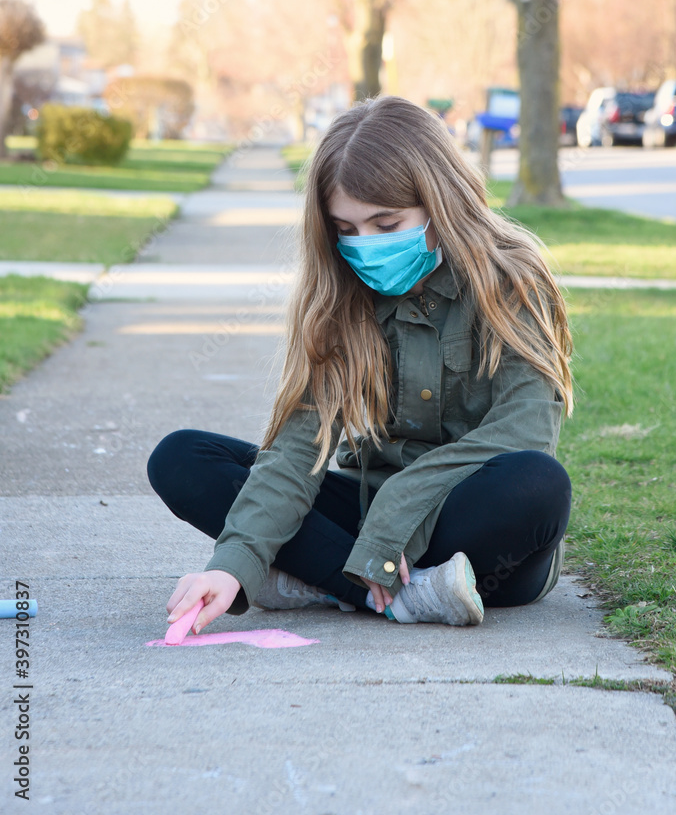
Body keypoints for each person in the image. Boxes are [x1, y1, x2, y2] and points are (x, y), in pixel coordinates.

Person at [149, 95, 573, 636]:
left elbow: (528, 430)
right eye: (345, 230)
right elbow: (299, 449)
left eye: (385, 222)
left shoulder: (512, 281)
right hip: (366, 511)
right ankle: (396, 593)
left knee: (537, 484)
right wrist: (232, 568)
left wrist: (399, 508)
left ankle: (320, 574)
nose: (364, 246)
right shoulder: (337, 297)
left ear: (440, 203)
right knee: (182, 459)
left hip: (471, 532)